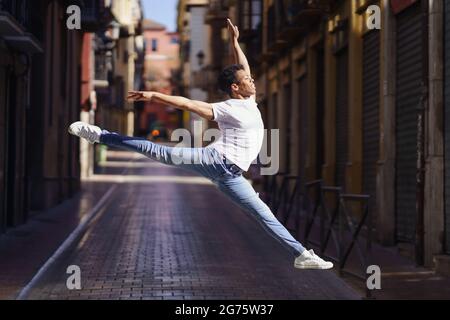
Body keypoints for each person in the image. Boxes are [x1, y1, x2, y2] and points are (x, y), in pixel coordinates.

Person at [68, 19, 333, 270]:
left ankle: (300, 255)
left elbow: (244, 65)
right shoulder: (227, 108)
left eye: (250, 78)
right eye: (247, 80)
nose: (252, 80)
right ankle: (101, 135)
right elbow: (188, 103)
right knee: (156, 150)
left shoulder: (248, 100)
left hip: (232, 176)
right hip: (216, 161)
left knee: (265, 215)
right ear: (235, 87)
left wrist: (235, 42)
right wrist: (153, 95)